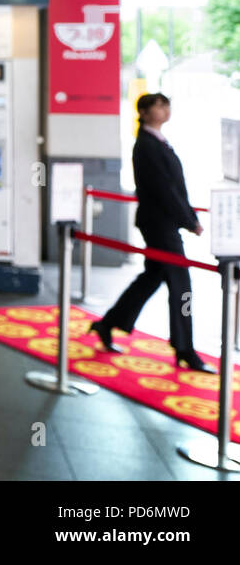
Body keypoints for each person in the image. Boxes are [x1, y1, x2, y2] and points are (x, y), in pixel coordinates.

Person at [90, 93, 215, 373]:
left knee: (151, 278)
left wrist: (187, 216)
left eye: (166, 104)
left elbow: (174, 187)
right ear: (144, 113)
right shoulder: (146, 145)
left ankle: (107, 323)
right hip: (159, 225)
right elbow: (163, 189)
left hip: (164, 222)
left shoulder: (158, 142)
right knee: (181, 285)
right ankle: (185, 349)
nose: (164, 109)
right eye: (158, 105)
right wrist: (189, 220)